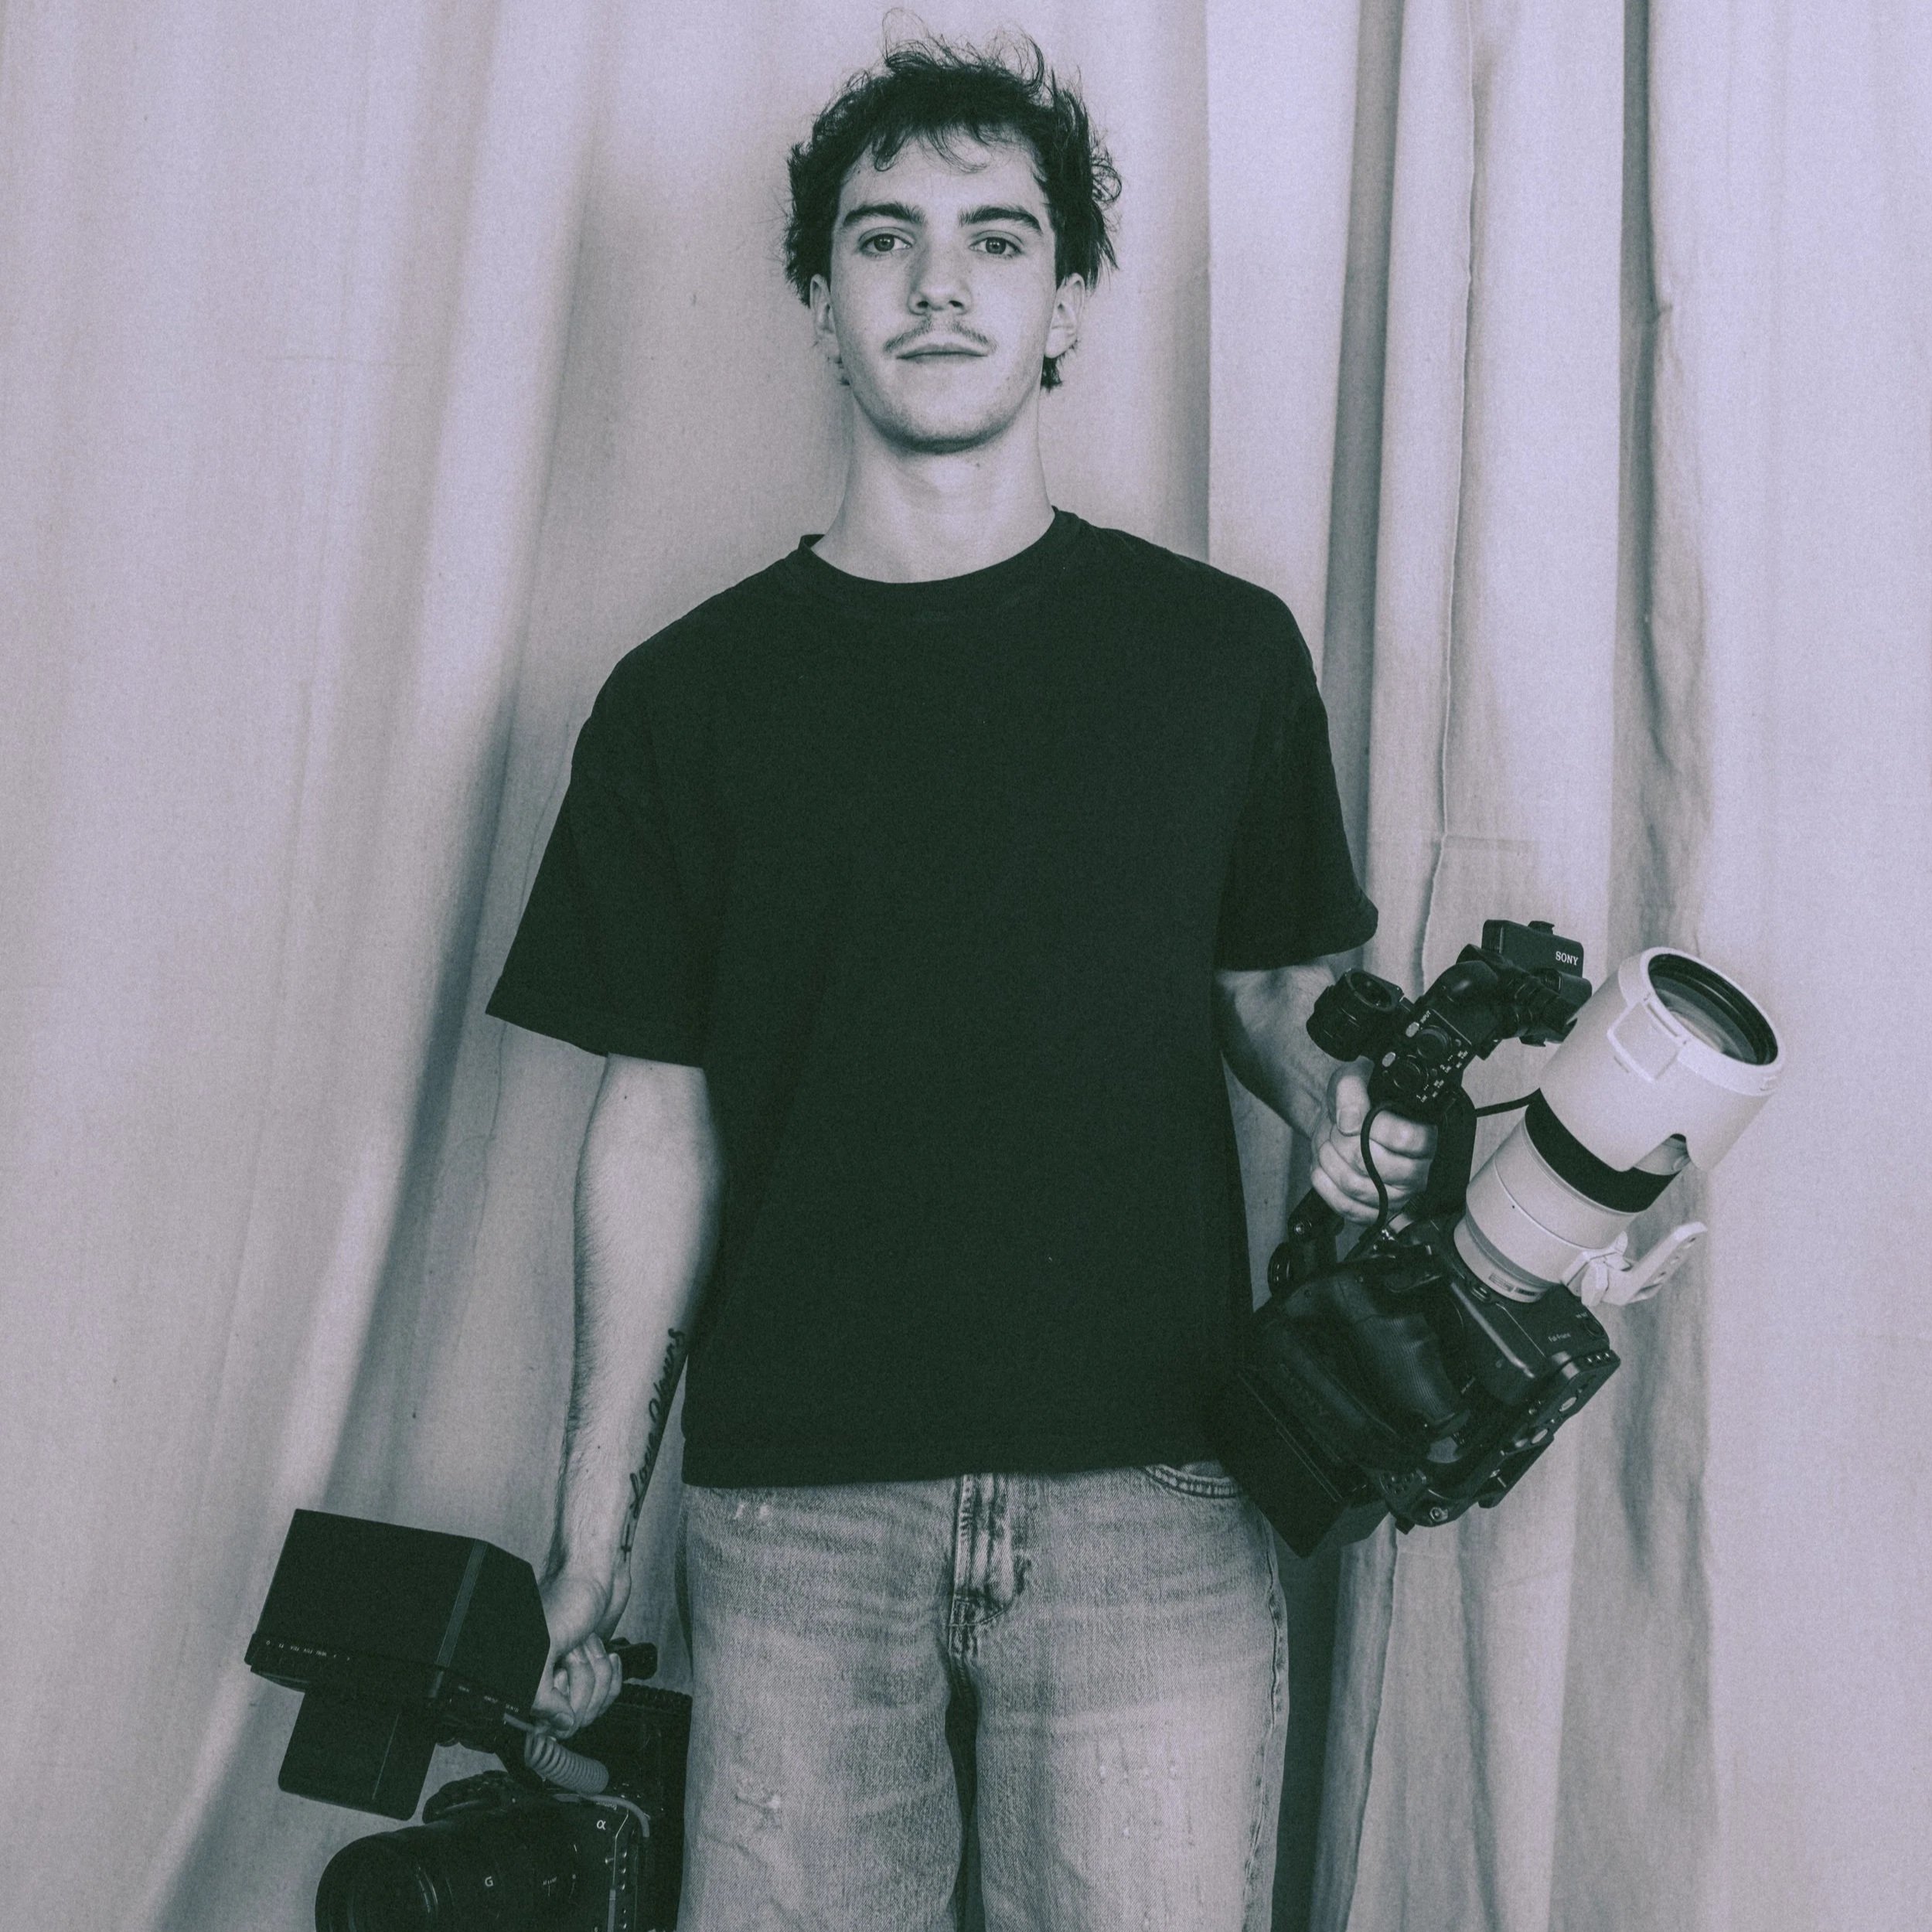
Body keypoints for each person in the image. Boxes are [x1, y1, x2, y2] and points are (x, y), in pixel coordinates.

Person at [486, 32, 1435, 1932]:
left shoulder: (1214, 654)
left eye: (997, 240)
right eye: (882, 239)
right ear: (818, 302)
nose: (938, 283)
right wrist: (594, 1531)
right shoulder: (684, 702)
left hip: (1157, 1494)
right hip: (790, 1518)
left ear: (1066, 302)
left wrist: (1347, 1104)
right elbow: (652, 1120)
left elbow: (1271, 986)